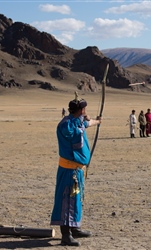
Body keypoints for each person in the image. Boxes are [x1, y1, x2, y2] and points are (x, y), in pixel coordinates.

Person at [51, 95, 102, 246]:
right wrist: (84, 119)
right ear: (80, 110)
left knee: (77, 201)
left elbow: (86, 124)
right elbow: (74, 131)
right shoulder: (66, 125)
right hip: (68, 171)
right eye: (84, 109)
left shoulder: (76, 122)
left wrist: (97, 121)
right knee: (67, 200)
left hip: (77, 170)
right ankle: (65, 235)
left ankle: (74, 228)